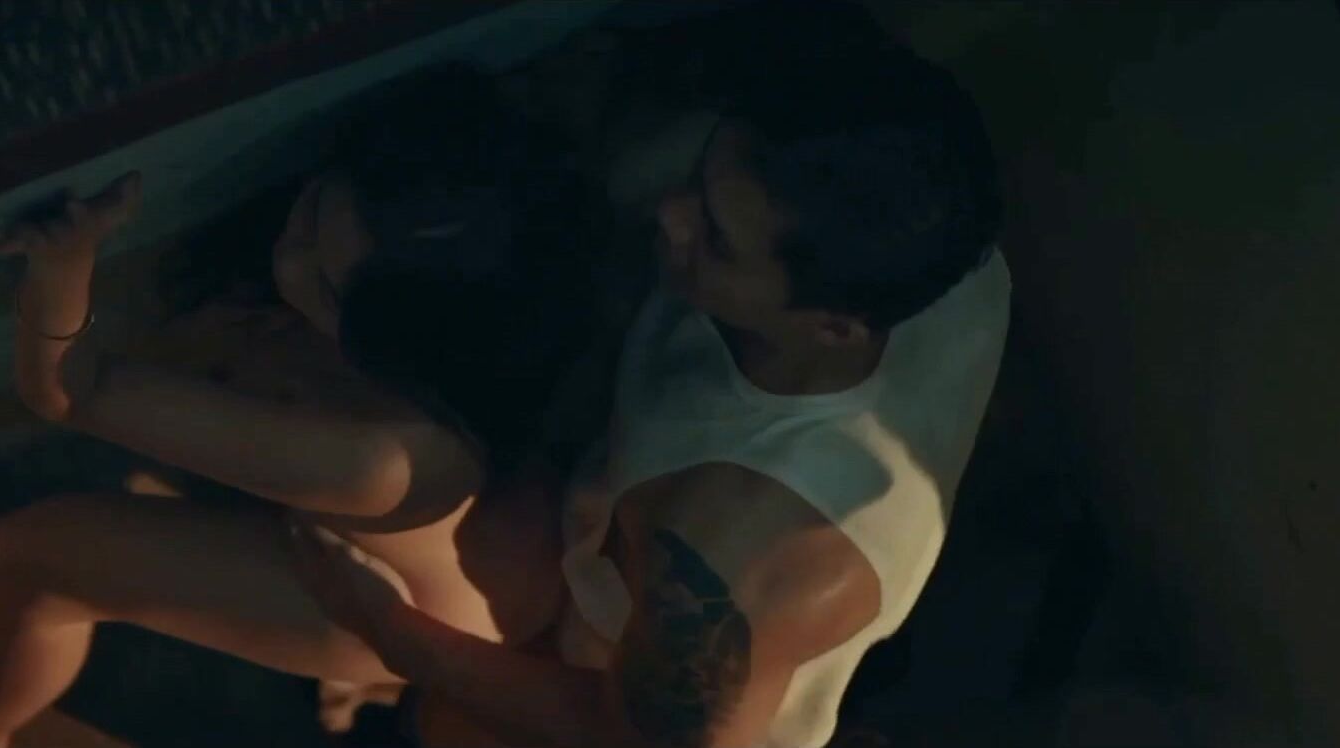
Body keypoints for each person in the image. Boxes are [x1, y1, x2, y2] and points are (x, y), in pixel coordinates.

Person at [0, 66, 597, 748]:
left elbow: (71, 389)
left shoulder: (380, 458)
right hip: (512, 575)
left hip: (395, 614)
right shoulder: (502, 309)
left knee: (38, 556)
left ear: (393, 347)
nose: (290, 249)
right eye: (313, 209)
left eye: (320, 276)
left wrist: (65, 266)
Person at [289, 5, 1012, 747]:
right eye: (702, 177)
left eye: (718, 240)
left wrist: (388, 632)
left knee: (433, 711)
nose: (672, 214)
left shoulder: (743, 539)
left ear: (831, 327)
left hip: (618, 682)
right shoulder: (933, 239)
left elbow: (624, 735)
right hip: (598, 536)